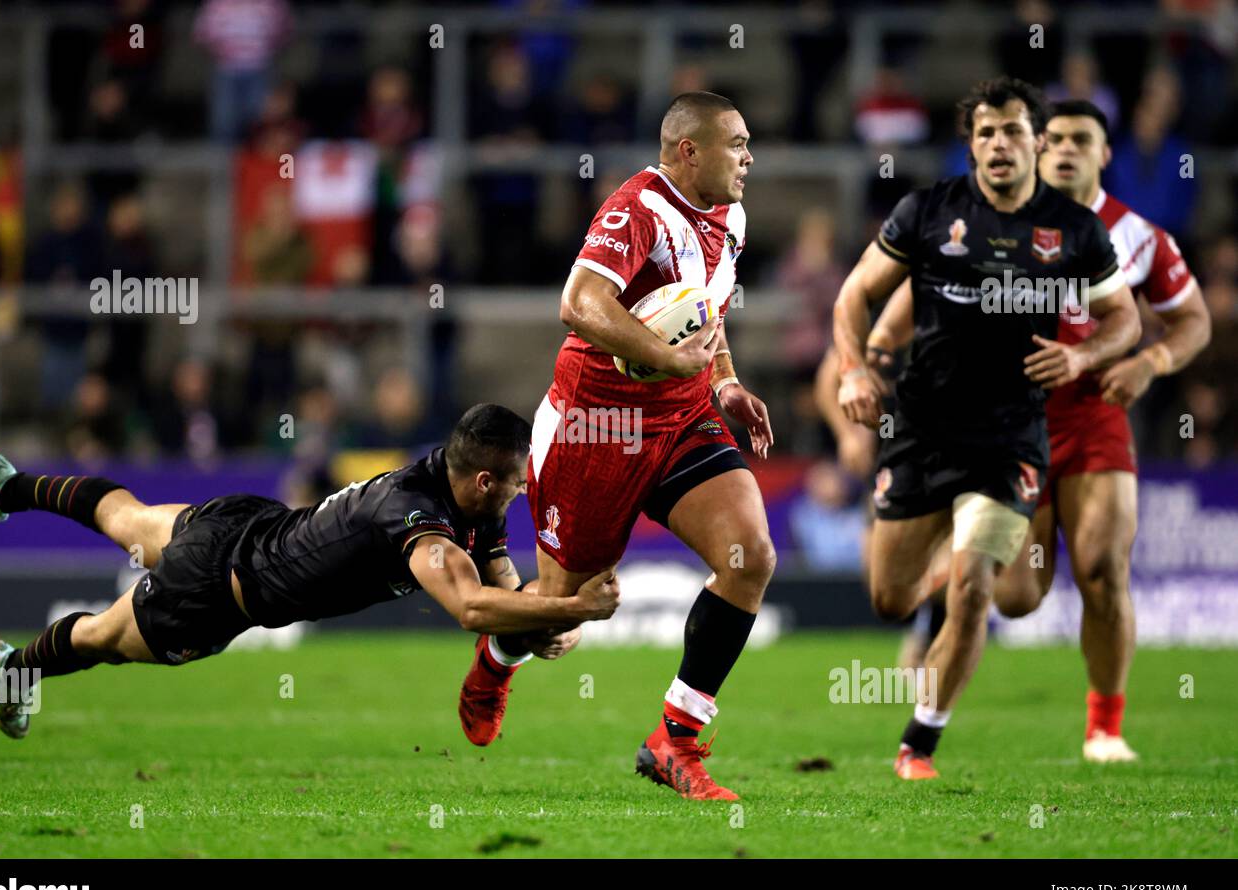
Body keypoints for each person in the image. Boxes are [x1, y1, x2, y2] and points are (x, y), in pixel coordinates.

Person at [867, 100, 1212, 763]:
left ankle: (1105, 726)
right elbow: (929, 289)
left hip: (1092, 416)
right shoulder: (996, 220)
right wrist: (881, 349)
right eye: (1053, 138)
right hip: (1005, 419)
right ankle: (949, 577)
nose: (1065, 151)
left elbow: (1191, 317)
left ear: (1105, 154)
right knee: (1021, 597)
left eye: (1082, 140)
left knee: (1104, 569)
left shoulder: (1137, 236)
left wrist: (1150, 362)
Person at [0, 404, 619, 741]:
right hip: (220, 589)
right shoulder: (419, 521)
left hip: (246, 522)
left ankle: (7, 488)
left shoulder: (465, 494)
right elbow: (473, 609)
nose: (523, 491)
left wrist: (548, 620)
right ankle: (16, 668)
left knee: (127, 519)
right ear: (482, 478)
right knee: (103, 639)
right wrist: (572, 612)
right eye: (516, 482)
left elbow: (505, 592)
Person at [466, 91, 774, 801]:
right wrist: (665, 360)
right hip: (597, 426)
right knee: (557, 609)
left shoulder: (732, 218)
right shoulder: (639, 209)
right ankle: (497, 656)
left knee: (749, 554)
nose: (750, 157)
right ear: (687, 150)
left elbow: (705, 317)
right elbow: (578, 302)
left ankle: (676, 741)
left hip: (681, 420)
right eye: (737, 142)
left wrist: (723, 384)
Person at [832, 77, 1140, 780]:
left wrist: (1084, 352)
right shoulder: (928, 212)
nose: (999, 145)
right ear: (971, 145)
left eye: (1012, 132)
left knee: (976, 588)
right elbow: (856, 292)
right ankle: (933, 574)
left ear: (1037, 139)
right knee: (889, 599)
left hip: (1011, 438)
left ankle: (920, 745)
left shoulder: (1076, 230)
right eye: (985, 134)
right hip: (924, 429)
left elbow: (1123, 315)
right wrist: (854, 368)